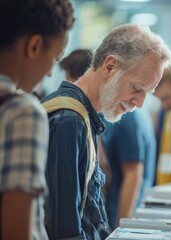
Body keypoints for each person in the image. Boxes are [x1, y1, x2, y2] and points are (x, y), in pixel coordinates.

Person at [42, 24, 171, 239]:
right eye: (137, 89)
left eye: (147, 93)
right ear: (110, 66)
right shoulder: (69, 120)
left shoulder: (83, 117)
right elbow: (65, 230)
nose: (140, 103)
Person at [0, 1, 73, 239]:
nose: (51, 72)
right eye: (55, 57)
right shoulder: (22, 112)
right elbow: (17, 230)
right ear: (35, 45)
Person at [101, 106, 157, 229]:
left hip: (123, 214)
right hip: (136, 212)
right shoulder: (138, 113)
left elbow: (133, 175)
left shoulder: (126, 116)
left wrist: (120, 229)